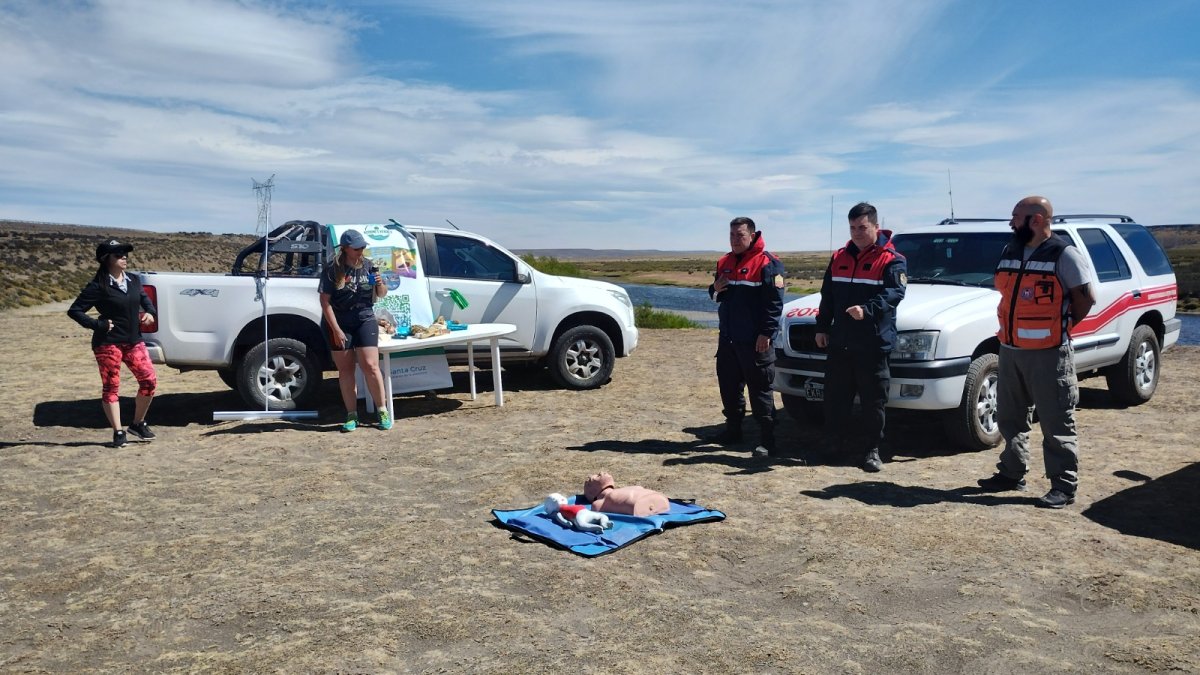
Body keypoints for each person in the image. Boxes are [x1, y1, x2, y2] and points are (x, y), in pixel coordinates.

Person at [977, 196, 1095, 508]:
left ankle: (1063, 486)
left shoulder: (1064, 254)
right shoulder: (1011, 250)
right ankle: (1011, 472)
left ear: (1037, 220)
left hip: (1049, 354)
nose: (1011, 222)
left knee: (1056, 420)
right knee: (1010, 416)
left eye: (1016, 217)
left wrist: (1059, 328)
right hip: (1010, 349)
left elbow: (1085, 298)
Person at [814, 202, 907, 472]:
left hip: (872, 343)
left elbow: (894, 294)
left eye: (862, 227)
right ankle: (833, 445)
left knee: (873, 401)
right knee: (835, 398)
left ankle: (871, 450)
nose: (857, 232)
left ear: (876, 227)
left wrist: (867, 310)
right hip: (841, 342)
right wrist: (822, 327)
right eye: (853, 227)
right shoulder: (839, 257)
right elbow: (827, 296)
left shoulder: (892, 259)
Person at [67, 239, 159, 448]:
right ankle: (118, 432)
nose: (124, 257)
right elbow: (75, 310)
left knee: (149, 381)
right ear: (106, 259)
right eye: (118, 255)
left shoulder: (134, 280)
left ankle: (138, 423)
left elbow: (145, 300)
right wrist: (96, 324)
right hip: (108, 343)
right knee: (111, 386)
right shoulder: (98, 285)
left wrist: (150, 313)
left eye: (125, 254)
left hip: (134, 341)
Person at [708, 216, 786, 458]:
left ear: (752, 236)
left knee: (760, 390)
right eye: (732, 235)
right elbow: (717, 295)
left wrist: (766, 333)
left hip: (755, 341)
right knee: (729, 386)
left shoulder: (767, 263)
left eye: (740, 235)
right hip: (728, 338)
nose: (735, 240)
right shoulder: (724, 261)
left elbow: (774, 303)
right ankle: (733, 431)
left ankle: (767, 440)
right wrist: (714, 290)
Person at [319, 229, 392, 432]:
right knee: (346, 369)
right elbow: (325, 302)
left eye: (363, 247)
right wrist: (336, 330)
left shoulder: (369, 265)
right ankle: (352, 414)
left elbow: (381, 294)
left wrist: (380, 283)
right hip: (339, 321)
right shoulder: (332, 269)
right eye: (357, 248)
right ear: (345, 248)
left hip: (364, 318)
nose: (361, 251)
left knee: (371, 365)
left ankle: (382, 410)